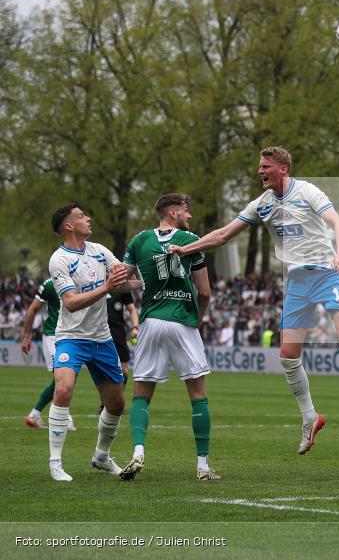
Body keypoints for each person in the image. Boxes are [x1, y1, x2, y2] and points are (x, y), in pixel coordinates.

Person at [170, 146, 339, 455]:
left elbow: (338, 223)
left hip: (326, 273)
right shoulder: (263, 203)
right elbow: (223, 235)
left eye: (265, 166)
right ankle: (310, 418)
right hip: (296, 282)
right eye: (260, 166)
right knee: (287, 356)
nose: (260, 171)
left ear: (283, 168)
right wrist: (186, 249)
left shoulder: (307, 192)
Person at [118, 193, 218, 481]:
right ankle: (202, 466)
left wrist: (144, 283)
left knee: (141, 394)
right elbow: (204, 292)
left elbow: (122, 283)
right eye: (186, 210)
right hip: (182, 321)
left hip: (151, 321)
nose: (189, 215)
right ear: (173, 212)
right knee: (197, 395)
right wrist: (199, 317)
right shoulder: (191, 240)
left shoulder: (139, 241)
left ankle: (138, 452)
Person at [45, 203, 139, 481]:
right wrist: (107, 286)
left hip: (101, 337)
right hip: (71, 337)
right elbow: (71, 303)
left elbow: (125, 281)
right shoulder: (59, 260)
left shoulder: (100, 251)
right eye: (81, 216)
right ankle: (55, 463)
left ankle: (101, 456)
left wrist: (142, 273)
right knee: (63, 390)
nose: (88, 218)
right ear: (68, 226)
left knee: (116, 404)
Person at [21, 277, 77, 431]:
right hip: (53, 336)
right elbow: (32, 309)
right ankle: (64, 418)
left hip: (70, 337)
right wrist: (26, 336)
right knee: (62, 379)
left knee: (64, 378)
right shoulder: (50, 284)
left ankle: (35, 414)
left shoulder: (78, 280)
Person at [97, 290, 137, 414]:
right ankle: (104, 405)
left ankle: (116, 402)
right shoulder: (96, 284)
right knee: (102, 372)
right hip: (99, 333)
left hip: (118, 333)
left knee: (124, 371)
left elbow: (132, 309)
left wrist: (135, 327)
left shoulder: (122, 287)